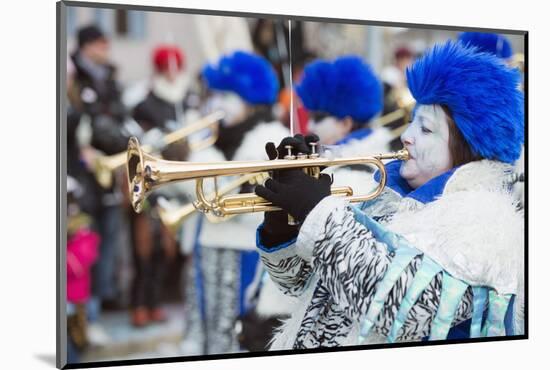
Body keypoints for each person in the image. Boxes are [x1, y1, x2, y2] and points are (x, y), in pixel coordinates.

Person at [253, 41, 524, 348]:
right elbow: (304, 286)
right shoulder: (386, 199)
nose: (406, 136)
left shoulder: (485, 224)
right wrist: (284, 230)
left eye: (426, 130)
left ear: (468, 149)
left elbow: (398, 310)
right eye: (411, 123)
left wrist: (318, 214)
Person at [179, 51, 290, 355]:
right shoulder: (218, 138)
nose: (218, 103)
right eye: (215, 94)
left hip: (245, 251)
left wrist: (203, 157)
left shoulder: (271, 138)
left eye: (228, 95)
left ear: (252, 100)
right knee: (210, 326)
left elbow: (225, 197)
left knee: (235, 334)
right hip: (209, 246)